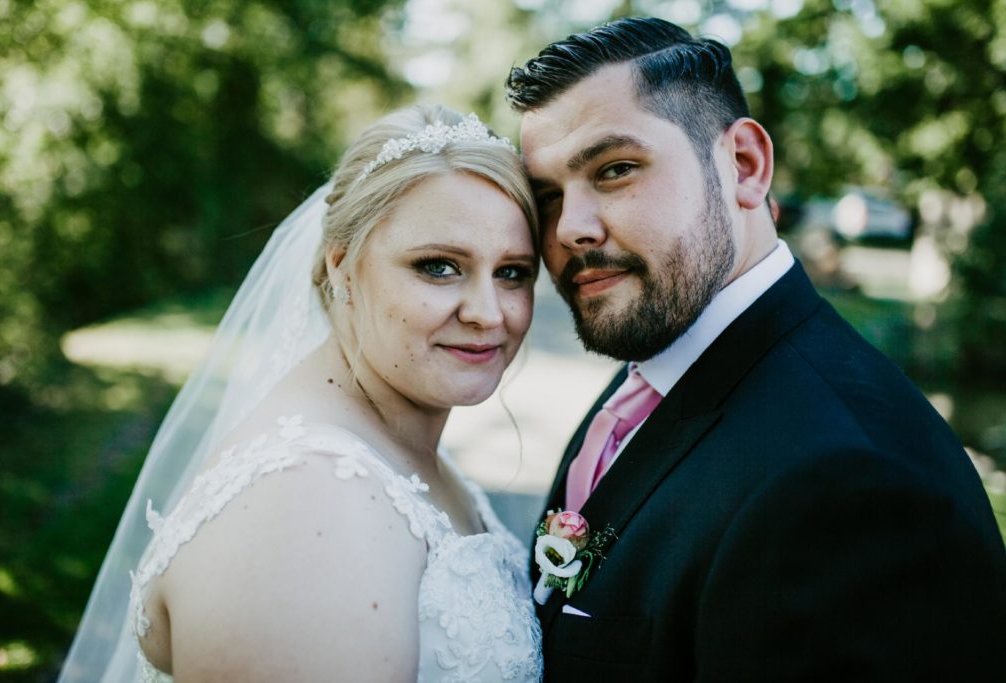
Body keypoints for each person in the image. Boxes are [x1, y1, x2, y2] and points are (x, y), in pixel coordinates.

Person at [506, 17, 1006, 681]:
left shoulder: (854, 485)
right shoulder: (659, 370)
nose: (570, 228)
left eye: (616, 169)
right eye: (547, 195)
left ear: (744, 165)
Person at [59, 105, 543, 682]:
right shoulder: (306, 502)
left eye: (513, 272)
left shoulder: (396, 456)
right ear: (341, 267)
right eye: (439, 267)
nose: (489, 314)